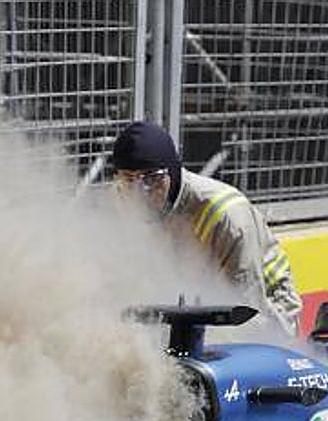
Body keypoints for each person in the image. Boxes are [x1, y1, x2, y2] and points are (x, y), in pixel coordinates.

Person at [112, 121, 302, 334]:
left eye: (152, 179)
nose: (141, 192)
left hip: (265, 309)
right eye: (129, 179)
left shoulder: (227, 215)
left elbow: (246, 312)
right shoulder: (121, 199)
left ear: (172, 173)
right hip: (190, 303)